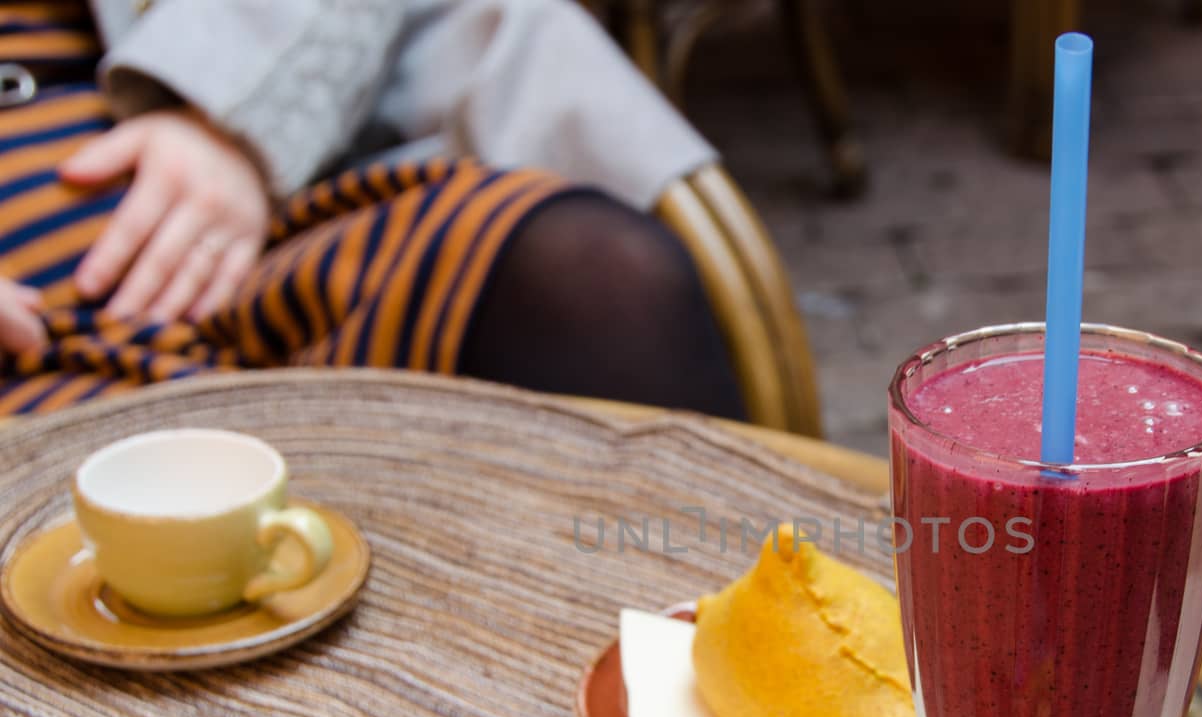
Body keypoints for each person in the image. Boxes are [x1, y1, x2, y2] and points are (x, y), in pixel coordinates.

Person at [0, 0, 747, 419]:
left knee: (593, 279)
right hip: (29, 340)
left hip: (160, 120)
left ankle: (757, 668)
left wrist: (227, 116)